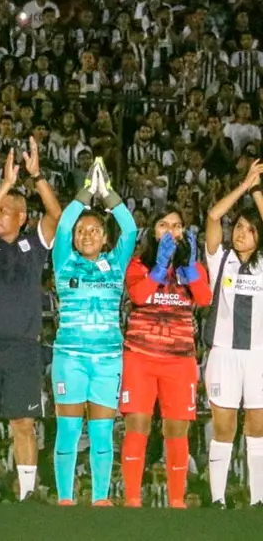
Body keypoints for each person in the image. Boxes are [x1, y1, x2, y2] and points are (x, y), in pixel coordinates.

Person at [0, 140, 62, 502]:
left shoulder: (33, 246)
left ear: (22, 217)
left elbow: (56, 216)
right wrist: (5, 185)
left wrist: (36, 177)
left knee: (24, 422)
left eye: (5, 210)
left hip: (23, 348)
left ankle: (27, 492)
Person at [48, 158, 138, 506]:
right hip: (69, 358)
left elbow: (130, 229)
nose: (86, 235)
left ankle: (101, 498)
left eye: (94, 231)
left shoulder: (115, 263)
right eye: (81, 231)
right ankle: (65, 498)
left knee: (102, 433)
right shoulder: (64, 261)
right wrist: (86, 193)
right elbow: (62, 226)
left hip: (108, 360)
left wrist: (109, 194)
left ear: (105, 238)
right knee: (69, 430)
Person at [121, 208, 212, 509]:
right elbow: (139, 296)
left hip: (179, 360)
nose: (170, 230)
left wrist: (191, 270)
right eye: (163, 225)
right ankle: (132, 499)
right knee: (138, 424)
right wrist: (158, 269)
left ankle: (176, 501)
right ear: (153, 232)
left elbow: (204, 299)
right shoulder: (138, 263)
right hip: (140, 357)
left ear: (184, 232)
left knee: (177, 428)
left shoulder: (192, 266)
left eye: (176, 225)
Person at [203, 159, 263, 508]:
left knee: (257, 428)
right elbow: (213, 216)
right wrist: (243, 186)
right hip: (223, 353)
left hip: (258, 355)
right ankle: (218, 498)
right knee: (223, 427)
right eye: (239, 226)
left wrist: (257, 192)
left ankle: (258, 499)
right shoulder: (221, 258)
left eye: (250, 229)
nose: (240, 233)